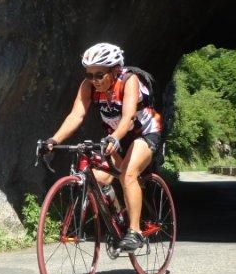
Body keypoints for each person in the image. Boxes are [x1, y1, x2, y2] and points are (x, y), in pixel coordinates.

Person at [43, 43, 163, 252]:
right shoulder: (88, 86)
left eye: (99, 75)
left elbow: (128, 117)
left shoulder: (129, 81)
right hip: (115, 137)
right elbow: (76, 115)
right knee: (98, 178)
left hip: (144, 132)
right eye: (89, 74)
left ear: (115, 70)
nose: (94, 80)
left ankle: (135, 231)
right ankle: (118, 217)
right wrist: (53, 140)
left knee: (128, 174)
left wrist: (115, 137)